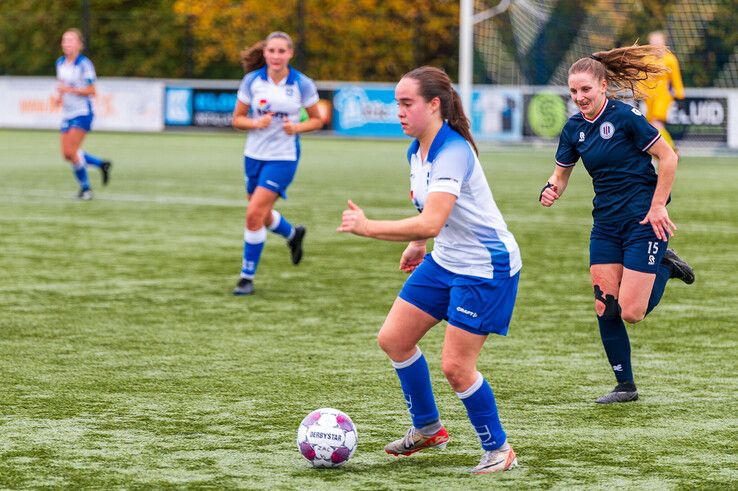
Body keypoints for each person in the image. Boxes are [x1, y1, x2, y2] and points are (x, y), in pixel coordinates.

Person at [338, 66, 521, 474]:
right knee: (394, 339)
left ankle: (499, 450)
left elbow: (433, 221)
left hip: (484, 268)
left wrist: (370, 228)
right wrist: (419, 244)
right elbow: (429, 210)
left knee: (456, 367)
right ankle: (428, 428)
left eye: (407, 103)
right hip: (446, 260)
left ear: (434, 104)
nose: (399, 112)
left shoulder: (453, 149)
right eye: (396, 104)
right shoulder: (415, 150)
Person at [539, 45, 695, 404]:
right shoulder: (573, 129)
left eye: (586, 90)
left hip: (643, 220)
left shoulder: (625, 117)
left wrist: (658, 206)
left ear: (604, 86)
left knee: (632, 313)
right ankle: (625, 386)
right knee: (604, 306)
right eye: (573, 91)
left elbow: (668, 157)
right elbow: (560, 176)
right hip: (606, 225)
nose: (579, 97)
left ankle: (666, 267)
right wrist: (551, 190)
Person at [231, 31, 323, 295]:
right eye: (272, 51)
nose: (276, 56)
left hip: (283, 158)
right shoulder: (252, 81)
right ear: (265, 53)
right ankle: (293, 234)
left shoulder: (302, 84)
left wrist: (297, 127)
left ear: (290, 54)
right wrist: (254, 122)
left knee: (252, 215)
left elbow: (317, 119)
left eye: (281, 51)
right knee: (260, 213)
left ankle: (246, 277)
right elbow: (237, 119)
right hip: (253, 155)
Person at [52, 28, 111, 200]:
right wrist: (59, 97)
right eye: (64, 40)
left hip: (83, 113)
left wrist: (70, 90)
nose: (66, 44)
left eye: (70, 40)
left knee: (72, 151)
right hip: (68, 113)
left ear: (79, 44)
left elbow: (92, 90)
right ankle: (101, 164)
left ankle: (86, 190)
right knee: (67, 154)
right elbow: (62, 86)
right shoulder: (60, 63)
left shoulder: (84, 64)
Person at [642, 31, 685, 150]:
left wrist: (680, 97)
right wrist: (638, 93)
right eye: (653, 42)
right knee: (651, 126)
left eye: (658, 42)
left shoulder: (670, 59)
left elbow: (676, 79)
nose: (656, 45)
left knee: (657, 123)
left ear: (664, 43)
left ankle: (671, 150)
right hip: (648, 97)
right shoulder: (646, 59)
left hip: (663, 96)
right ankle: (663, 151)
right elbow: (641, 79)